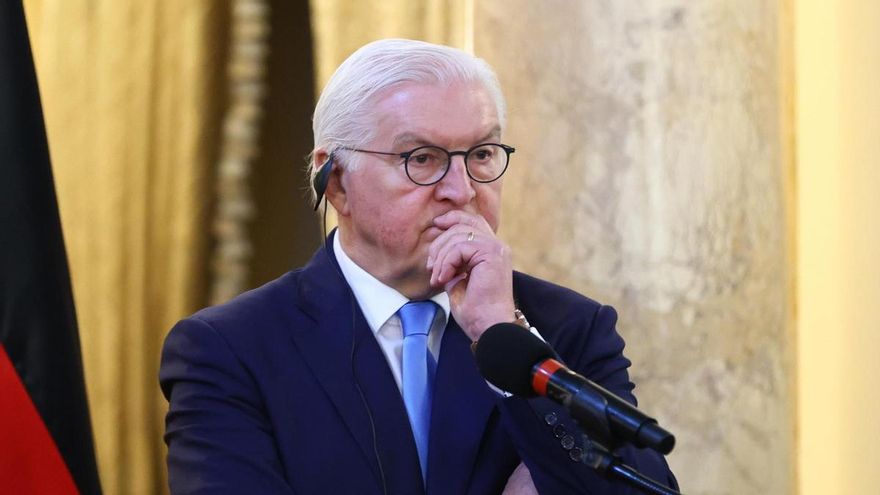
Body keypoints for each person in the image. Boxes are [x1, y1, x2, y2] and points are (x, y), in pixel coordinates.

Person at [160, 38, 677, 494]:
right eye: (422, 158)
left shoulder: (568, 327)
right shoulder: (230, 350)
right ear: (335, 181)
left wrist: (501, 333)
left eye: (481, 153)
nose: (463, 190)